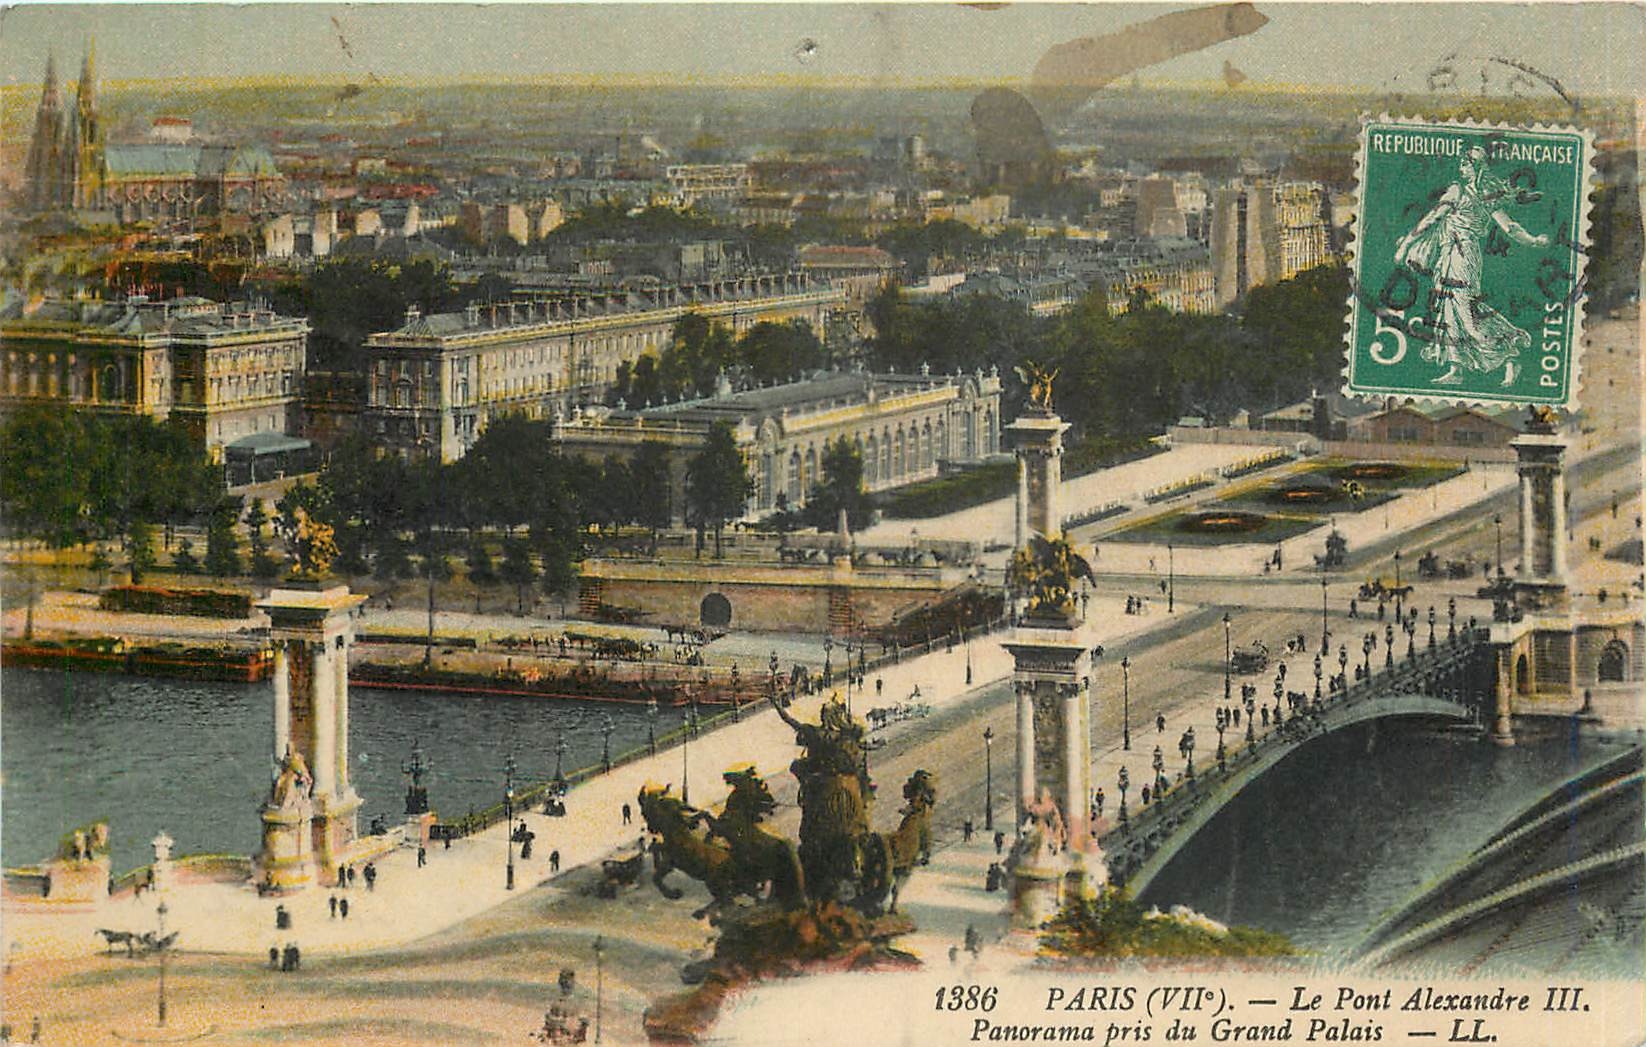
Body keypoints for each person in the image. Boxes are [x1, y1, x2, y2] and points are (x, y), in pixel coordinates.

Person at [1393, 142, 1547, 387]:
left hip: (1462, 256)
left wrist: (1404, 246)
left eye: (1465, 164)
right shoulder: (1484, 198)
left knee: (1466, 313)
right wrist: (1534, 240)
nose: (1461, 168)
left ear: (1476, 168)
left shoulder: (1460, 192)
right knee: (1448, 310)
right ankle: (1456, 368)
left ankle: (1509, 356)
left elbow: (1430, 220)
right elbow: (1511, 228)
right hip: (1452, 255)